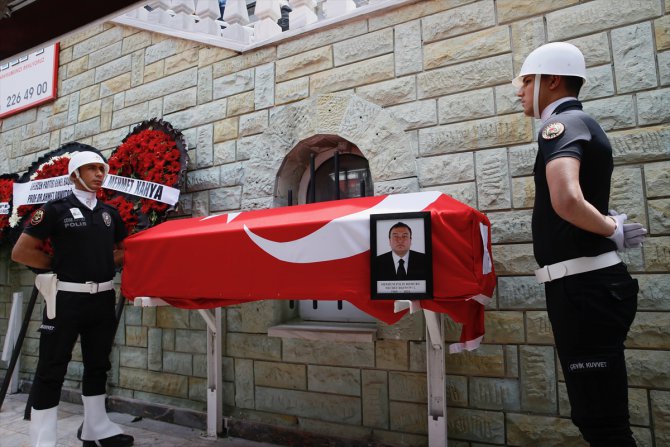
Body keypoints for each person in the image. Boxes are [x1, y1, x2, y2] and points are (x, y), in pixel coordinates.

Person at [513, 42, 646, 446]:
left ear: (552, 80)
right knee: (600, 417)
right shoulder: (579, 124)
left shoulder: (562, 125)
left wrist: (608, 229)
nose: (519, 91)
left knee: (602, 424)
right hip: (586, 289)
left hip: (583, 291)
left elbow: (567, 199)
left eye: (526, 81)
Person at [11, 148, 133, 447]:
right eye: (92, 169)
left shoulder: (109, 213)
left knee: (98, 365)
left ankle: (96, 429)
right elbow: (22, 252)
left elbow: (124, 250)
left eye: (102, 169)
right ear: (75, 174)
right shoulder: (55, 209)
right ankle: (43, 440)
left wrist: (101, 262)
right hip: (65, 299)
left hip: (102, 299)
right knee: (51, 367)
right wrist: (62, 265)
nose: (99, 174)